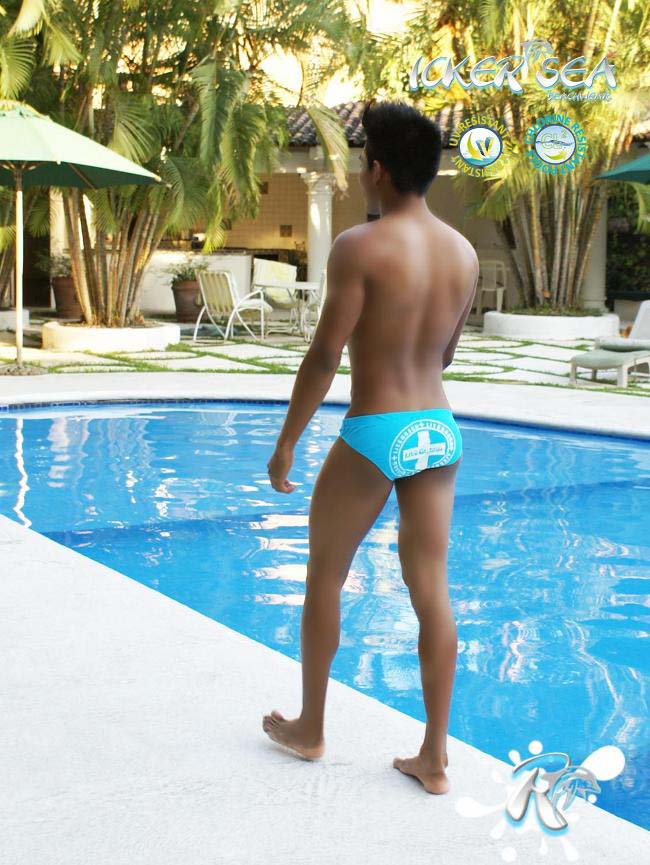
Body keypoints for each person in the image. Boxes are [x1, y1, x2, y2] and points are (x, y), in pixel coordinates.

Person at [262, 99, 478, 795]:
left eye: (362, 164)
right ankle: (433, 757)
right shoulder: (464, 252)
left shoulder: (360, 245)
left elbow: (326, 355)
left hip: (377, 426)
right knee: (432, 588)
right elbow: (445, 354)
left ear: (378, 169)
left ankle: (311, 728)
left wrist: (287, 441)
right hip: (437, 429)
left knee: (326, 573)